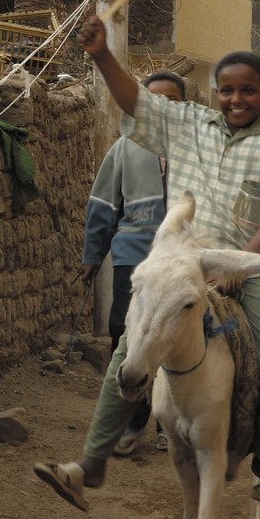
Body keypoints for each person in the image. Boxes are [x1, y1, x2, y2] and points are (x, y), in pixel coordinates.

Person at [34, 16, 260, 513]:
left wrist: (233, 269)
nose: (236, 100)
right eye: (227, 90)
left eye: (248, 90)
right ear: (215, 93)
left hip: (258, 265)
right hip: (184, 262)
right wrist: (101, 55)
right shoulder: (188, 125)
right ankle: (91, 463)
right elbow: (135, 102)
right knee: (133, 344)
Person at [80, 69, 189, 454]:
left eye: (171, 100)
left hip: (180, 262)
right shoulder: (125, 147)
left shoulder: (199, 150)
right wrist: (93, 255)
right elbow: (103, 205)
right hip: (134, 255)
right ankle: (131, 419)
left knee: (177, 336)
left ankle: (169, 420)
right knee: (124, 330)